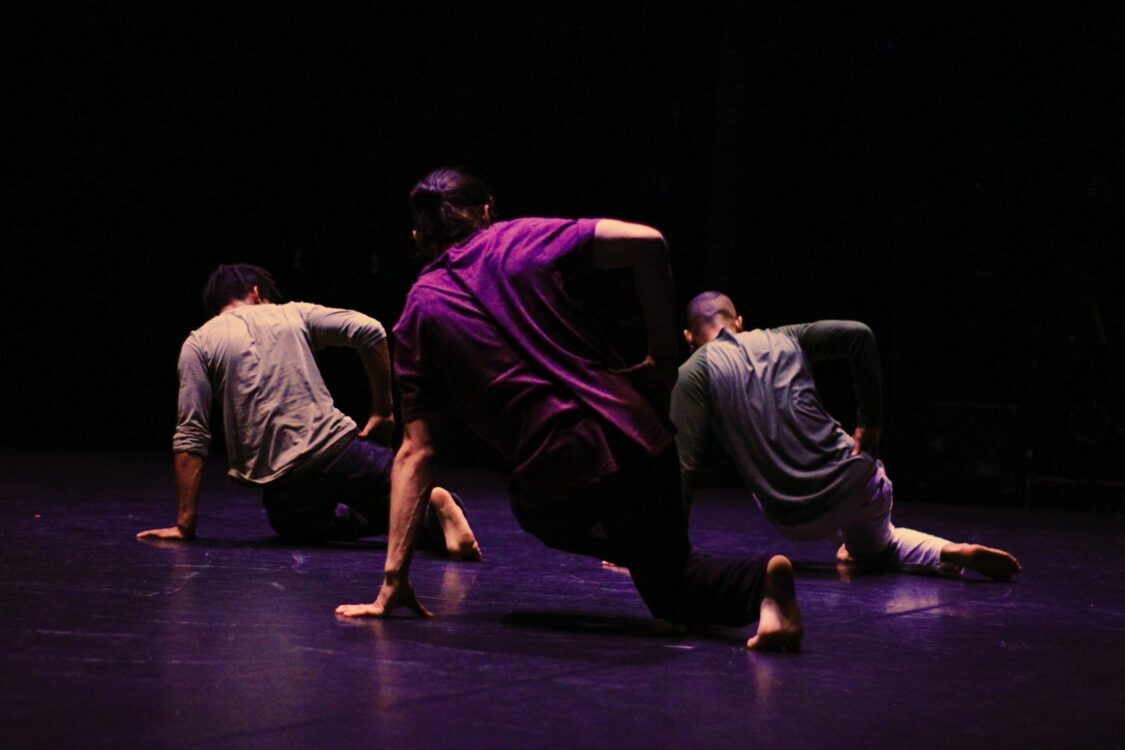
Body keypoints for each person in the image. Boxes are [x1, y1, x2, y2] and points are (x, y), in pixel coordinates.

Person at [335, 168, 802, 652]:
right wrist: (665, 360)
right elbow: (649, 241)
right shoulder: (527, 239)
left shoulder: (419, 312)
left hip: (557, 475)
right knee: (670, 585)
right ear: (487, 211)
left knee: (542, 517)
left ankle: (733, 576)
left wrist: (393, 578)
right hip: (642, 437)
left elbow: (416, 450)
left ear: (418, 237)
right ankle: (760, 583)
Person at [671, 291, 1022, 580]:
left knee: (858, 539)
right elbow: (859, 335)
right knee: (879, 543)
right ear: (740, 322)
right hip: (858, 484)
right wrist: (870, 422)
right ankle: (941, 551)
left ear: (688, 338)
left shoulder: (693, 373)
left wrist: (668, 550)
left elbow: (684, 467)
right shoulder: (784, 337)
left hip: (794, 516)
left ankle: (875, 544)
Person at [137, 263, 479, 558]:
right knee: (418, 494)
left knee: (294, 528)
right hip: (338, 452)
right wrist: (383, 410)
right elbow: (370, 330)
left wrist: (186, 524)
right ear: (257, 293)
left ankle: (429, 517)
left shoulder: (199, 342)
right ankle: (434, 510)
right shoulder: (290, 313)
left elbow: (191, 436)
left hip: (285, 482)